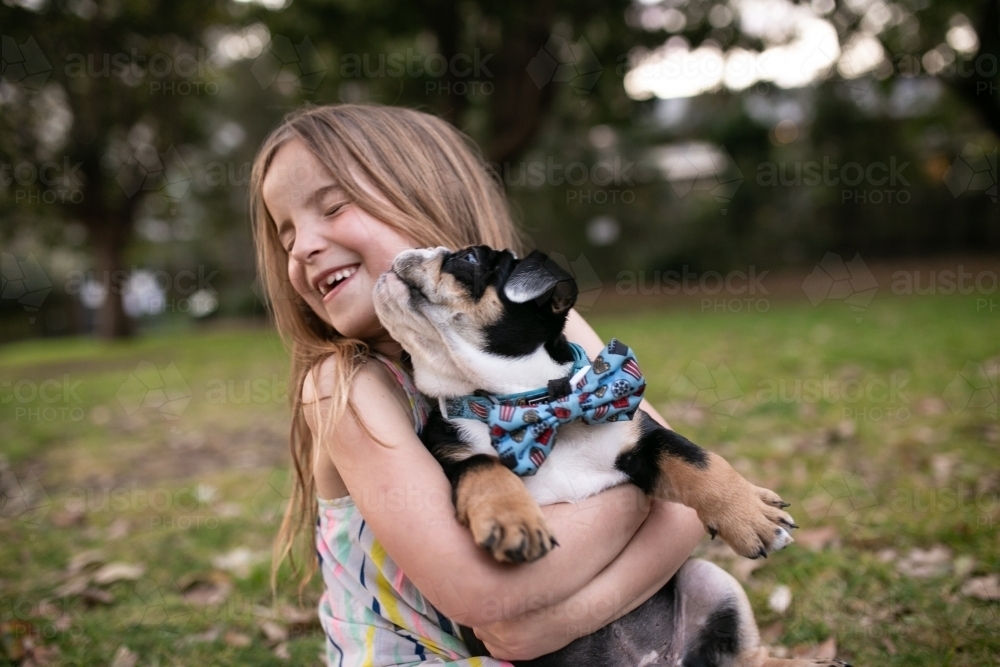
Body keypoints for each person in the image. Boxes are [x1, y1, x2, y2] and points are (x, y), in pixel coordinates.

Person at [249, 103, 705, 666]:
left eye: (333, 206)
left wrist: (560, 621)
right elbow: (478, 591)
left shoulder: (541, 328)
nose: (301, 248)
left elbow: (693, 503)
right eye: (285, 232)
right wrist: (646, 484)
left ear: (430, 197)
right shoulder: (344, 387)